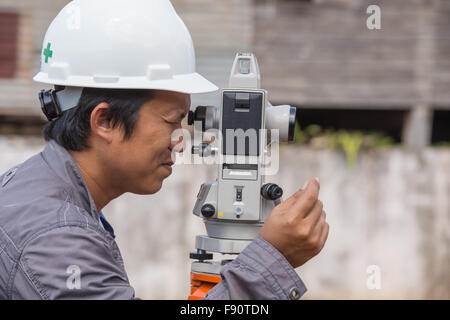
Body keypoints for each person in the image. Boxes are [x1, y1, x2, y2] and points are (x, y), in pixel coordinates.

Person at [0, 0, 329, 300]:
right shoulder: (57, 240)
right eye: (171, 121)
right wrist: (270, 262)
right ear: (105, 121)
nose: (179, 139)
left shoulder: (30, 190)